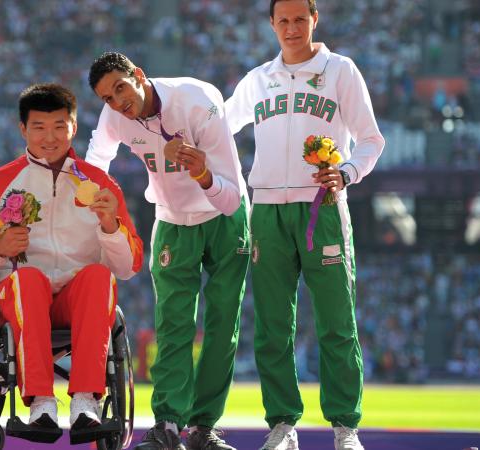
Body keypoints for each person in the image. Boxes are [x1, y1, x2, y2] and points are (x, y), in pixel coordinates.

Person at [223, 1, 385, 449]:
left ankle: (345, 428)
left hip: (323, 207)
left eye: (300, 19)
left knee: (336, 322)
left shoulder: (340, 70)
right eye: (283, 20)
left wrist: (348, 171)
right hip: (268, 210)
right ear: (272, 25)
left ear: (315, 20)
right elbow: (216, 124)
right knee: (273, 325)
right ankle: (283, 426)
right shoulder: (257, 79)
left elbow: (371, 139)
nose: (292, 28)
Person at [0, 83, 143, 439]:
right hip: (17, 297)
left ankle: (85, 400)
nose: (49, 137)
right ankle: (41, 401)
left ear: (74, 127)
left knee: (99, 275)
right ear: (23, 129)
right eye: (39, 127)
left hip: (75, 301)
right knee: (28, 279)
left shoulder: (100, 185)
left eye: (59, 126)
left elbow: (128, 268)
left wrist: (111, 226)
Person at [87, 52, 249, 450]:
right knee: (172, 327)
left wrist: (202, 174)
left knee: (222, 327)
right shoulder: (115, 117)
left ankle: (203, 428)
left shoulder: (198, 101)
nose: (118, 102)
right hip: (173, 221)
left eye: (121, 88)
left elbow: (229, 199)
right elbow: (95, 162)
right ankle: (167, 425)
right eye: (107, 98)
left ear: (139, 76)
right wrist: (93, 198)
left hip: (224, 220)